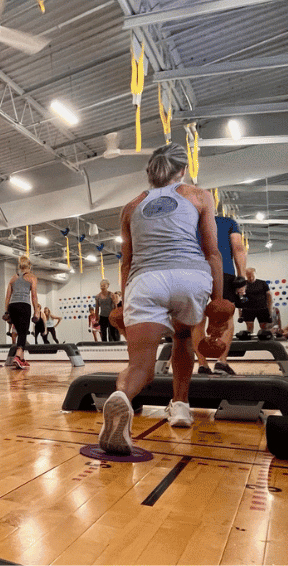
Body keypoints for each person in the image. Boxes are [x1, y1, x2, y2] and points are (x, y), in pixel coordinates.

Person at [98, 143, 222, 455]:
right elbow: (213, 253)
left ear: (150, 174)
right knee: (182, 338)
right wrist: (219, 302)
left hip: (145, 281)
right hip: (189, 276)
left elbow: (126, 263)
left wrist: (126, 304)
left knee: (140, 365)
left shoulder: (131, 205)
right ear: (182, 170)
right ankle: (180, 405)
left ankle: (123, 396)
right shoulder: (198, 195)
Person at [191, 214, 247, 375]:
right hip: (223, 272)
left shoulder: (187, 221)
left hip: (194, 273)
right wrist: (241, 276)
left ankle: (203, 365)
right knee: (226, 317)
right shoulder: (228, 222)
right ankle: (221, 362)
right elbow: (238, 248)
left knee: (197, 320)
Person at [4, 255, 40, 370]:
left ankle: (22, 359)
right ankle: (18, 356)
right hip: (24, 305)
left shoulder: (13, 278)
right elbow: (34, 296)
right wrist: (36, 312)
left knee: (19, 332)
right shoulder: (32, 277)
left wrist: (6, 312)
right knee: (23, 332)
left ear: (19, 267)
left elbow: (7, 298)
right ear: (29, 266)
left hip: (12, 307)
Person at [238, 268, 272, 333]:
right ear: (246, 275)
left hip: (262, 308)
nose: (250, 278)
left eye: (252, 276)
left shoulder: (262, 283)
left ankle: (264, 341)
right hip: (248, 309)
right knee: (249, 329)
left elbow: (269, 297)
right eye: (248, 276)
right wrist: (240, 313)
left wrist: (269, 311)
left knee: (264, 329)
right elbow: (239, 298)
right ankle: (249, 342)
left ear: (255, 274)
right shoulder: (243, 284)